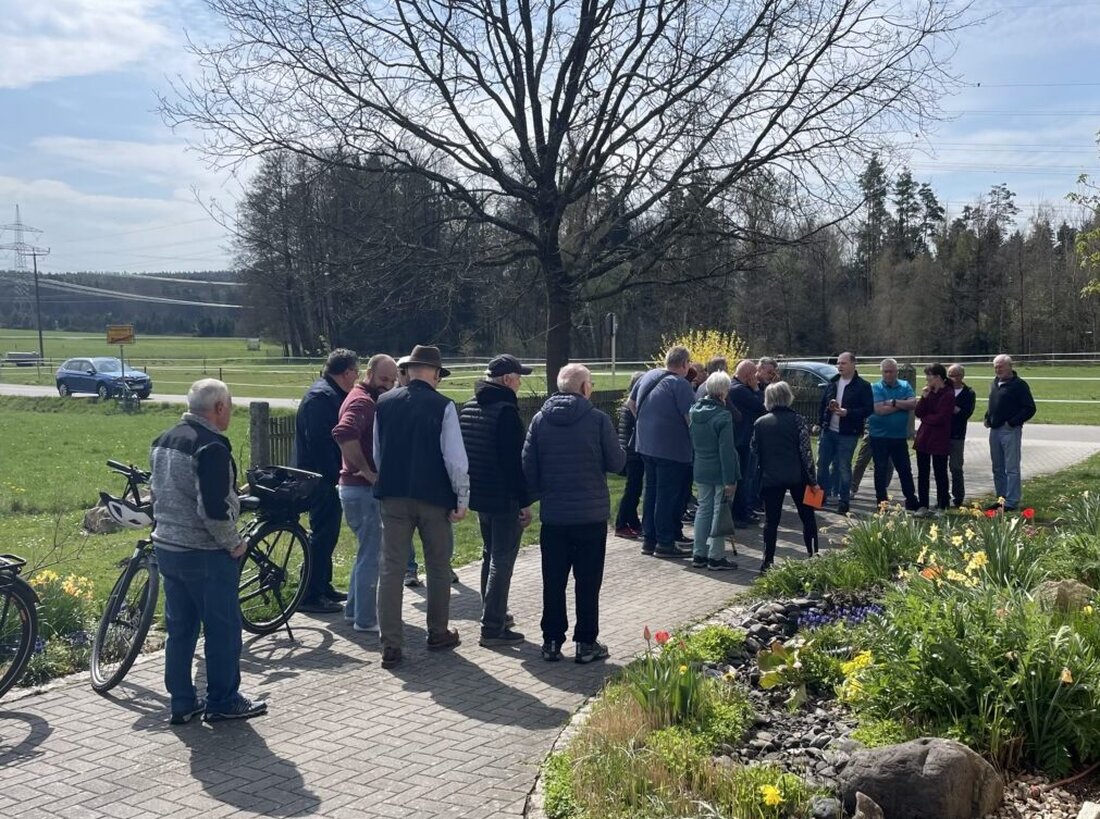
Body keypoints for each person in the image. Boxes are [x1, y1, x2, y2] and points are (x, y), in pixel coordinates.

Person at [150, 378, 266, 724]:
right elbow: (213, 509)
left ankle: (182, 702)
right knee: (222, 630)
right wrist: (235, 543)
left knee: (180, 629)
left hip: (167, 547)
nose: (230, 412)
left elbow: (156, 493)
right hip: (204, 552)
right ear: (218, 408)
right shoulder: (211, 447)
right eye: (229, 406)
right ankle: (223, 700)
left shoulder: (164, 439)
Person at [373, 345, 468, 669]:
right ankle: (437, 632)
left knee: (391, 568)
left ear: (409, 371)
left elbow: (378, 452)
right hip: (433, 496)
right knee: (438, 566)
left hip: (393, 495)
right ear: (436, 374)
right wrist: (462, 498)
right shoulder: (443, 406)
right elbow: (455, 459)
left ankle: (390, 644)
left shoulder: (384, 403)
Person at [523, 363, 625, 663]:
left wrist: (536, 496)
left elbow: (528, 466)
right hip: (590, 515)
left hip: (555, 516)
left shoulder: (540, 420)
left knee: (553, 581)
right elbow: (617, 463)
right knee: (588, 582)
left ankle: (552, 640)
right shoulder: (597, 420)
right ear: (584, 387)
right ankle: (585, 642)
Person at [459, 354, 534, 648]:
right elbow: (513, 464)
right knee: (502, 561)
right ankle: (492, 627)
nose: (519, 384)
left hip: (480, 493)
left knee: (489, 554)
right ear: (506, 379)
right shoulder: (506, 412)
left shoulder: (469, 406)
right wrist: (524, 502)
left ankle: (492, 611)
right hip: (503, 497)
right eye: (518, 378)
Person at [331, 354, 398, 634]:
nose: (388, 385)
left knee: (365, 552)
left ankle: (353, 611)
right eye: (383, 379)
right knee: (372, 556)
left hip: (352, 488)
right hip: (361, 489)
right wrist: (367, 471)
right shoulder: (363, 402)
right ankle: (366, 619)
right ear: (368, 373)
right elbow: (343, 433)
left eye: (392, 381)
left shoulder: (360, 396)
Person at [294, 348, 359, 613]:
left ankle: (323, 584)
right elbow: (320, 443)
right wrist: (334, 476)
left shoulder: (330, 393)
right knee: (322, 535)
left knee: (329, 533)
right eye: (356, 371)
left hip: (326, 476)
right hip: (319, 478)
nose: (357, 377)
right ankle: (310, 594)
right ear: (347, 372)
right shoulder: (321, 398)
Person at [628, 346, 696, 558]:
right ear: (684, 364)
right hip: (672, 449)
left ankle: (649, 540)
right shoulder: (680, 384)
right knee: (667, 496)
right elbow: (690, 419)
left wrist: (646, 424)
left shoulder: (648, 376)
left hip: (646, 445)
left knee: (651, 493)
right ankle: (665, 542)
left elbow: (631, 404)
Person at [752, 381, 819, 573]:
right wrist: (813, 481)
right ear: (788, 397)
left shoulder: (760, 423)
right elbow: (806, 452)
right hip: (799, 476)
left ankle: (767, 561)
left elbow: (754, 451)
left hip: (771, 477)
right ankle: (813, 555)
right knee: (808, 517)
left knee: (771, 521)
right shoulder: (798, 420)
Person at [689, 371, 740, 570]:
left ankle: (699, 553)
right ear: (723, 391)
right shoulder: (723, 416)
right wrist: (730, 479)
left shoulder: (694, 411)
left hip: (701, 466)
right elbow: (726, 451)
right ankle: (716, 556)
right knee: (720, 512)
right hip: (719, 469)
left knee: (703, 510)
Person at [816, 352, 873, 515]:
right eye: (838, 363)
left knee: (843, 467)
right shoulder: (833, 382)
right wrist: (820, 423)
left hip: (848, 433)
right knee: (821, 465)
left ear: (853, 364)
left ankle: (843, 501)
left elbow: (868, 409)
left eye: (843, 363)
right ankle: (820, 498)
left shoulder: (863, 386)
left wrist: (848, 412)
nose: (839, 366)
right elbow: (823, 404)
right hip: (828, 431)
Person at [984, 354, 1036, 511]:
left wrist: (1012, 422)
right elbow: (993, 403)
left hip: (1010, 431)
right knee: (997, 467)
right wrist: (988, 417)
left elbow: (1029, 408)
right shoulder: (995, 383)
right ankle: (1001, 499)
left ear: (1010, 366)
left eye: (1001, 366)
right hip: (994, 430)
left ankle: (1012, 501)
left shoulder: (1019, 385)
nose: (998, 370)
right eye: (995, 367)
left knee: (1011, 468)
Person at [868, 358, 920, 510]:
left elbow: (913, 403)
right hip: (879, 436)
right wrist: (902, 404)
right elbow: (879, 410)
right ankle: (881, 502)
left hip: (899, 436)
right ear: (882, 372)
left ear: (897, 372)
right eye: (886, 371)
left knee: (905, 469)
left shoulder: (905, 386)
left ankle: (911, 500)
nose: (889, 374)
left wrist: (892, 402)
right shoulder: (876, 387)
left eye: (891, 371)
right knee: (880, 469)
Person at [913, 363, 955, 513]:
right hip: (924, 437)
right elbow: (918, 412)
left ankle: (942, 505)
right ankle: (923, 505)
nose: (927, 379)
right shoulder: (929, 392)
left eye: (929, 376)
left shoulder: (948, 394)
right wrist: (923, 398)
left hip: (939, 438)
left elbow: (941, 418)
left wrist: (925, 419)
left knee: (940, 473)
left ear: (938, 377)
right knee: (923, 473)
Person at [727, 359, 764, 526]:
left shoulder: (735, 387)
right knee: (743, 479)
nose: (757, 378)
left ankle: (742, 511)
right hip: (741, 441)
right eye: (754, 374)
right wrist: (756, 389)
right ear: (748, 375)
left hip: (740, 438)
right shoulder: (740, 390)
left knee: (744, 478)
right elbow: (762, 406)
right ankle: (739, 514)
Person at [614, 371, 646, 539]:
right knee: (632, 490)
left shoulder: (627, 405)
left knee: (635, 489)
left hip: (629, 451)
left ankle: (633, 522)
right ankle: (621, 524)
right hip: (632, 453)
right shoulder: (633, 407)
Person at [947, 364, 976, 506]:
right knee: (940, 467)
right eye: (950, 375)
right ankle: (943, 496)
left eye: (956, 375)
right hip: (941, 434)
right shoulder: (943, 390)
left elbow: (966, 413)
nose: (953, 378)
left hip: (957, 435)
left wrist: (954, 409)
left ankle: (958, 497)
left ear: (962, 376)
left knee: (956, 466)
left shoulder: (968, 393)